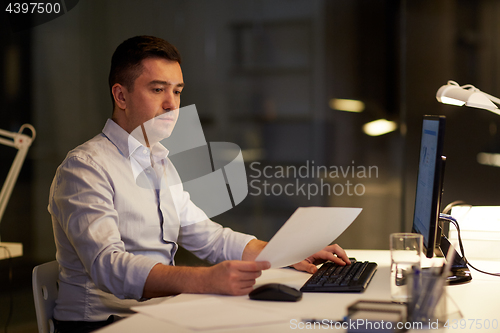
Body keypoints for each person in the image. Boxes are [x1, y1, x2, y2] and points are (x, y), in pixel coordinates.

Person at [48, 35, 350, 333]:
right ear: (121, 96)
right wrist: (205, 280)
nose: (171, 104)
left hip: (157, 315)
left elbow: (211, 238)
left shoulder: (159, 162)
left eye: (177, 92)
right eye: (157, 90)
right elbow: (109, 267)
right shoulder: (84, 168)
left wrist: (288, 252)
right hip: (101, 325)